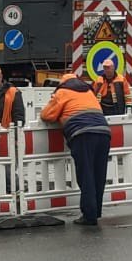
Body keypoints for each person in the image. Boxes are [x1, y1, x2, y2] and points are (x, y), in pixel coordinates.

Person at [41, 74, 112, 226]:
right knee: (98, 175)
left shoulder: (63, 92)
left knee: (86, 174)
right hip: (104, 132)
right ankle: (95, 212)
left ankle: (89, 216)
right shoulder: (89, 92)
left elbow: (47, 115)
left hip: (83, 134)